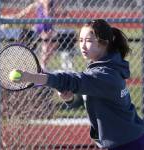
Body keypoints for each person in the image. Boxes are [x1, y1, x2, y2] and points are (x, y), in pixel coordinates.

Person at [12, 19, 144, 150]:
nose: (83, 46)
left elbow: (69, 80)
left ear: (104, 44)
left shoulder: (104, 75)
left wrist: (31, 77)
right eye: (81, 40)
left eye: (89, 41)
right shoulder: (103, 67)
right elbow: (87, 95)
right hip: (125, 139)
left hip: (128, 143)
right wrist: (69, 99)